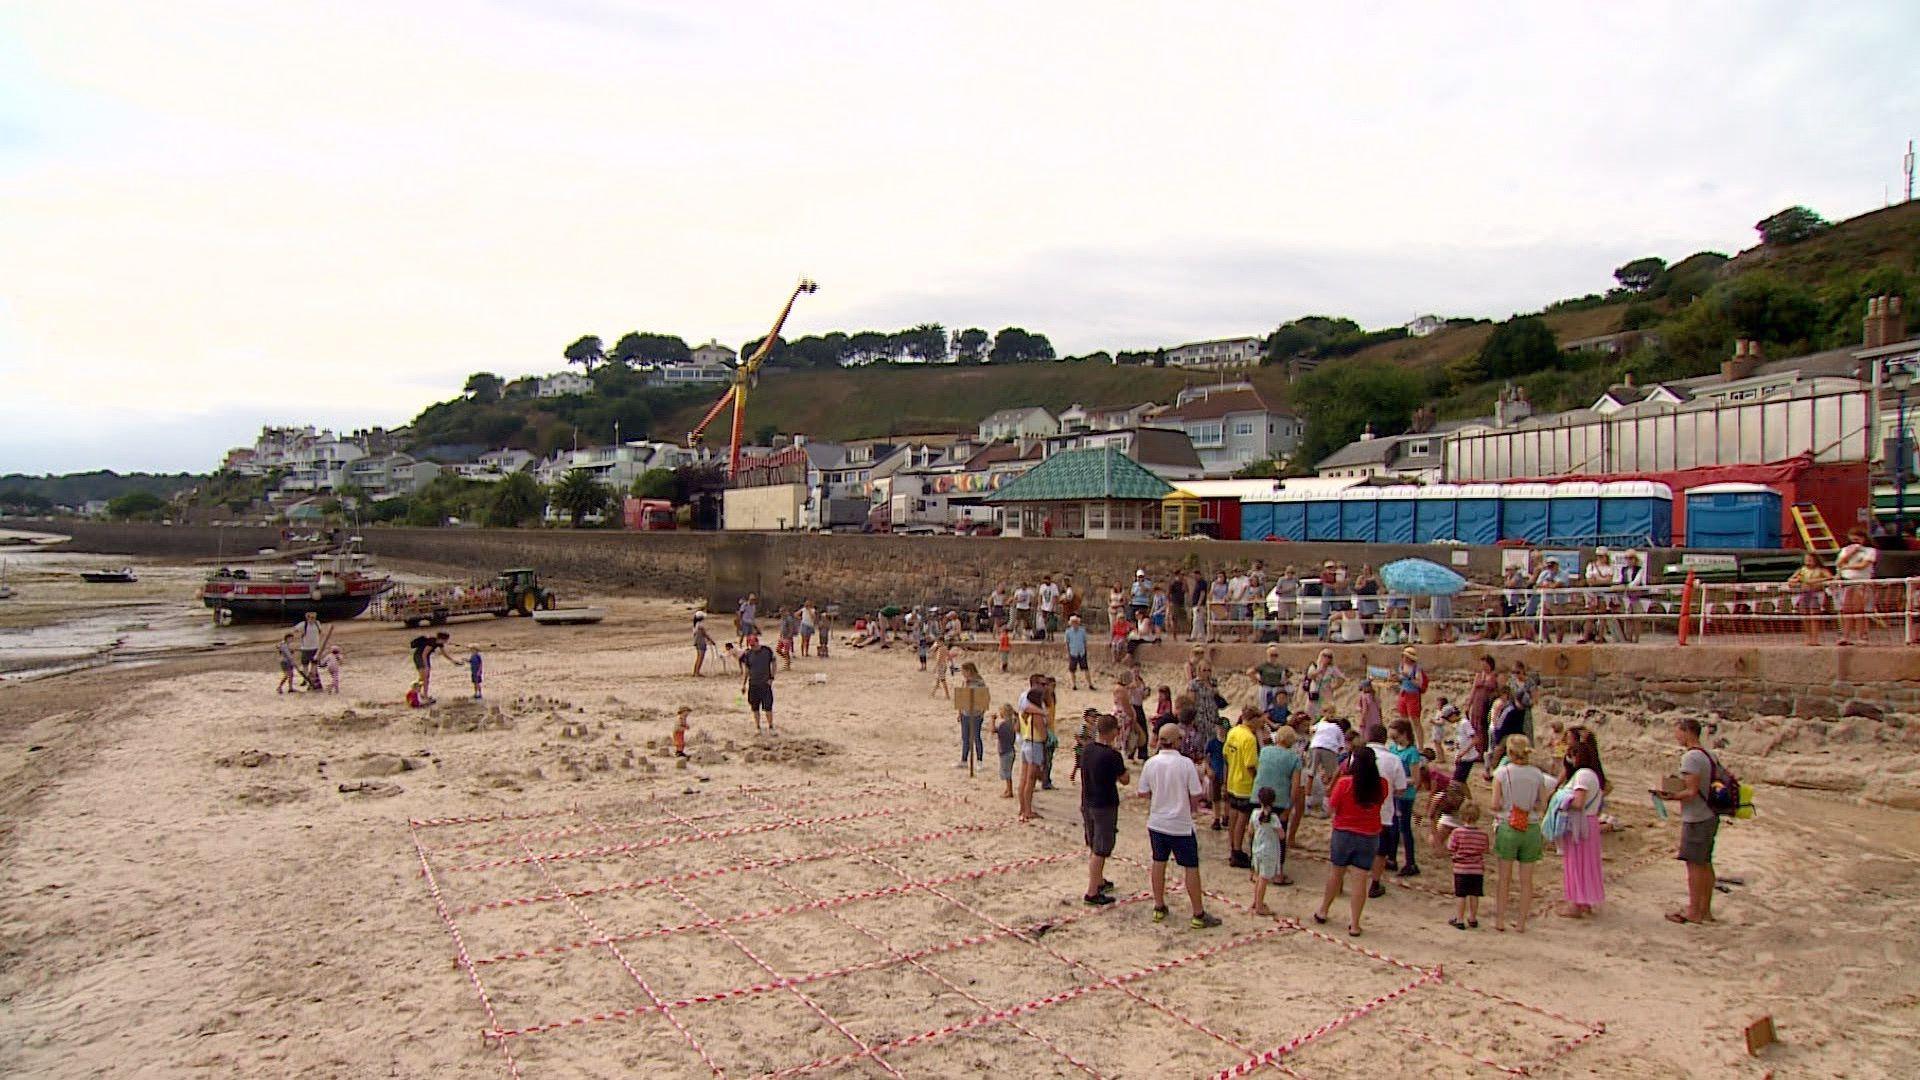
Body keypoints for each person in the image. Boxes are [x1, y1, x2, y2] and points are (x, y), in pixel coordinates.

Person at [1137, 722, 1222, 929]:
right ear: (1176, 741)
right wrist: (1190, 808)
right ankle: (1198, 913)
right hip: (1180, 824)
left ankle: (1158, 906)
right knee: (1191, 867)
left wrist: (1159, 798)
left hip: (1157, 822)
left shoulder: (1151, 763)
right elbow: (1196, 795)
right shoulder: (1186, 764)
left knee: (1159, 862)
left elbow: (1142, 792)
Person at [1313, 740, 1387, 937]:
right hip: (1369, 835)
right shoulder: (1381, 785)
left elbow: (1331, 809)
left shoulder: (1345, 783)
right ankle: (1354, 923)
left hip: (1344, 832)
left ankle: (1323, 910)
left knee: (1335, 874)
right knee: (1360, 879)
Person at [1656, 717, 1719, 925]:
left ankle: (1693, 911)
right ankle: (1705, 909)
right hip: (1710, 813)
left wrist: (1670, 796)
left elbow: (1691, 791)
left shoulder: (1691, 758)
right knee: (1705, 863)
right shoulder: (1710, 755)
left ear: (1687, 732)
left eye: (1678, 732)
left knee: (1693, 865)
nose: (1676, 736)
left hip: (1697, 816)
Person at [1491, 734, 1552, 933]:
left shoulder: (1502, 773)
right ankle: (1521, 923)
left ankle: (1500, 920)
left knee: (1504, 878)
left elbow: (1495, 804)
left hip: (1508, 823)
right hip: (1531, 825)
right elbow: (1544, 804)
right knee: (1527, 880)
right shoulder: (1536, 774)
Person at [1078, 714, 1129, 906]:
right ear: (1113, 731)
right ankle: (1092, 892)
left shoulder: (1088, 749)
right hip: (1104, 805)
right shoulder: (1112, 755)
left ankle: (1098, 880)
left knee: (1094, 844)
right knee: (1101, 848)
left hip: (1087, 802)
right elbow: (1125, 779)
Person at [1556, 738, 1607, 918]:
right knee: (1586, 863)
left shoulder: (1583, 775)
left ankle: (1575, 904)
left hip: (1580, 822)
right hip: (1590, 821)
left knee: (1576, 863)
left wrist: (1561, 802)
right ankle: (1584, 901)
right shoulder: (1594, 775)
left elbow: (1578, 802)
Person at [1364, 724, 1410, 898]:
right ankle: (1375, 882)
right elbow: (1401, 789)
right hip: (1383, 810)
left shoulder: (1358, 755)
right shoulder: (1393, 759)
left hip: (1360, 809)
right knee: (1380, 850)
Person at [1253, 725, 1305, 873]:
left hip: (1260, 795)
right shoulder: (1294, 758)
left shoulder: (1264, 751)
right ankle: (1278, 871)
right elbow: (1295, 787)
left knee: (1258, 831)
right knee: (1278, 836)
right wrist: (1290, 807)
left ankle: (1256, 868)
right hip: (1279, 799)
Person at [1222, 707, 1262, 870]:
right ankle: (1238, 851)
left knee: (1233, 815)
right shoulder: (1249, 738)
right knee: (1242, 818)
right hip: (1245, 783)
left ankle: (1233, 846)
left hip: (1233, 779)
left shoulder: (1233, 731)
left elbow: (1226, 754)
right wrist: (1258, 780)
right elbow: (1250, 764)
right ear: (1253, 719)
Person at [1386, 720, 1425, 877]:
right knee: (1393, 827)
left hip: (1405, 795)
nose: (1393, 740)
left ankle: (1410, 862)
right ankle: (1392, 858)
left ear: (1404, 734)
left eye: (1396, 736)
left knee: (1404, 828)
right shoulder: (1393, 749)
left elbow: (1415, 779)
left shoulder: (1412, 753)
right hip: (1394, 793)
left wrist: (1399, 782)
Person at [1446, 801, 1490, 930]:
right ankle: (1473, 918)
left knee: (1461, 895)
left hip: (1461, 868)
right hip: (1477, 869)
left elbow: (1451, 847)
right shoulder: (1483, 834)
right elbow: (1485, 849)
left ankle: (1459, 919)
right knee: (1475, 894)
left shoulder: (1457, 832)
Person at [1835, 528, 1878, 645]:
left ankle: (1862, 636)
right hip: (1847, 581)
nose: (1855, 542)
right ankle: (1845, 636)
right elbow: (1839, 563)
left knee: (1859, 610)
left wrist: (1847, 567)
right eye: (1852, 540)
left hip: (1861, 581)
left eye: (1857, 540)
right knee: (1846, 609)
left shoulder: (1870, 551)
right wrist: (1849, 554)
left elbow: (1864, 565)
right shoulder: (1845, 550)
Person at [1248, 786, 1287, 916]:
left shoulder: (1254, 813)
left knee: (1259, 877)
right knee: (1264, 879)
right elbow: (1282, 836)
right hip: (1268, 851)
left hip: (1257, 849)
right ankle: (1259, 905)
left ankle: (1256, 901)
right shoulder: (1274, 818)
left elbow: (1250, 831)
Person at [1015, 675, 1049, 821]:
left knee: (1023, 778)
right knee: (1031, 780)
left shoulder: (1025, 713)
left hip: (1025, 743)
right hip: (1035, 744)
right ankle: (1028, 810)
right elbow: (1042, 733)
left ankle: (1022, 808)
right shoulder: (1037, 715)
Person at [1786, 553, 1833, 646]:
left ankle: (1815, 638)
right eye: (1807, 559)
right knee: (1805, 615)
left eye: (1810, 559)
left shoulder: (1821, 570)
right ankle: (1808, 637)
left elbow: (1830, 577)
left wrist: (1816, 581)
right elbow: (1790, 580)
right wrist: (1795, 580)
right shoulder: (1802, 570)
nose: (1808, 561)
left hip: (1816, 593)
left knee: (1814, 615)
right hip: (1805, 593)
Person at [954, 662, 989, 771]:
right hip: (965, 713)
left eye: (964, 671)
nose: (963, 674)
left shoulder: (979, 682)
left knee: (976, 737)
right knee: (965, 738)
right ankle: (964, 760)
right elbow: (961, 697)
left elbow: (984, 698)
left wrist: (981, 713)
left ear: (969, 671)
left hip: (976, 714)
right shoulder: (965, 682)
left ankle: (979, 761)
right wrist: (959, 712)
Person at [740, 635, 777, 733]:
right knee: (755, 707)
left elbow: (774, 663)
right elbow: (746, 670)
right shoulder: (748, 654)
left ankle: (771, 726)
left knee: (768, 706)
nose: (752, 647)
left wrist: (772, 677)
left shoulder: (767, 651)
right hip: (753, 684)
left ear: (757, 642)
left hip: (765, 684)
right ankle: (758, 727)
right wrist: (743, 684)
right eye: (750, 645)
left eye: (753, 644)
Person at [1395, 647, 1428, 747]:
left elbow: (1419, 683)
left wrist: (1409, 677)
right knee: (1403, 720)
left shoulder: (1416, 668)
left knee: (1415, 721)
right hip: (1403, 693)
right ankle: (1407, 742)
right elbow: (1401, 680)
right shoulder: (1401, 666)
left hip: (1413, 695)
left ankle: (1420, 746)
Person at [409, 631, 452, 704]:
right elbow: (424, 654)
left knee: (424, 678)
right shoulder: (432, 643)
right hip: (419, 657)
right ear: (442, 639)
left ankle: (417, 693)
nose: (447, 641)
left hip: (424, 657)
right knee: (425, 678)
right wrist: (426, 666)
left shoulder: (439, 643)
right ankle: (424, 696)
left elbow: (444, 653)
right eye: (446, 640)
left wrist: (453, 661)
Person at [1248, 646, 1290, 717]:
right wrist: (1256, 680)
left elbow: (1288, 674)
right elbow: (1250, 672)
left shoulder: (1280, 666)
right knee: (1264, 707)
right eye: (1272, 655)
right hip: (1266, 688)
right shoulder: (1264, 665)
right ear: (1268, 655)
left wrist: (1285, 681)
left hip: (1277, 689)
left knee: (1276, 707)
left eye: (1275, 655)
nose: (1273, 657)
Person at [292, 611, 326, 690]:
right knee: (305, 665)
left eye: (313, 617)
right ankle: (305, 679)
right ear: (307, 617)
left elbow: (321, 632)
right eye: (310, 617)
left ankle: (313, 681)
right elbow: (294, 630)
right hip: (306, 648)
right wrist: (301, 634)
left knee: (314, 666)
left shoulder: (317, 623)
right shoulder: (303, 624)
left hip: (315, 647)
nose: (312, 619)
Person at [994, 704, 1018, 799]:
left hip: (1005, 751)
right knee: (1008, 771)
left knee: (1006, 773)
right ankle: (1008, 789)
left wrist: (993, 720)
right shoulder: (1013, 723)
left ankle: (1009, 790)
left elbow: (993, 730)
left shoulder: (1003, 725)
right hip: (1010, 750)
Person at [1064, 614, 1093, 690]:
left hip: (1081, 652)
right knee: (1072, 670)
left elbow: (1085, 641)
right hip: (1073, 652)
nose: (1074, 624)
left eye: (1075, 622)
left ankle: (1090, 684)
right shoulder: (1068, 632)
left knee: (1086, 669)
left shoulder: (1082, 631)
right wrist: (1068, 653)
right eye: (1073, 622)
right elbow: (1067, 643)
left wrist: (1086, 651)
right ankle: (1074, 685)